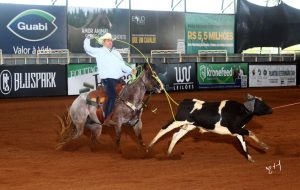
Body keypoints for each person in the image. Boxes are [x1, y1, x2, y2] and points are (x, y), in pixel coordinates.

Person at [83, 32, 136, 119]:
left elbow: (123, 66)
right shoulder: (99, 51)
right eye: (108, 40)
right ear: (103, 42)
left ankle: (127, 116)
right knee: (112, 97)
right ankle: (106, 118)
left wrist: (131, 70)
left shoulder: (116, 53)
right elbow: (87, 48)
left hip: (119, 80)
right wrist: (88, 38)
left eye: (111, 40)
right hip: (108, 81)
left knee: (128, 94)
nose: (110, 42)